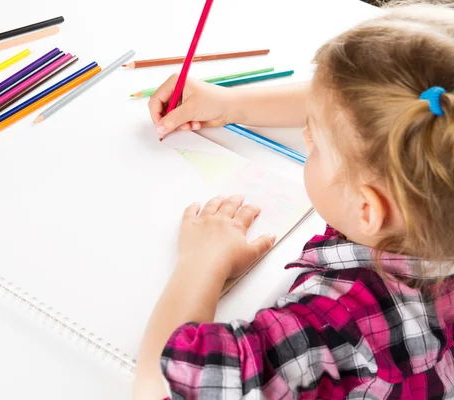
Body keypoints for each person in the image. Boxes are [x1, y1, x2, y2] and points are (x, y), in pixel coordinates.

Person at [133, 2, 454, 399]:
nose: (305, 135)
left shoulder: (334, 326)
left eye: (315, 141)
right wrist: (233, 105)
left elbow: (159, 386)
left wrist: (202, 262)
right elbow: (383, 109)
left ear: (367, 209)